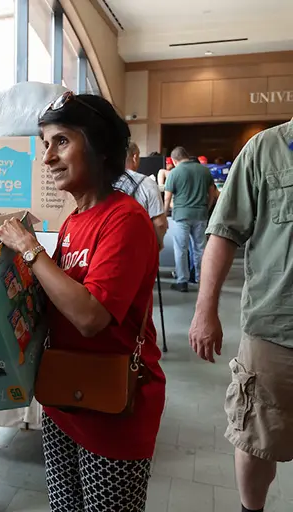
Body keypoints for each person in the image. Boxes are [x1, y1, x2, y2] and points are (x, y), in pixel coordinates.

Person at [0, 91, 165, 511]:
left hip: (114, 407)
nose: (47, 157)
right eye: (44, 144)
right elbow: (54, 301)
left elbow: (90, 316)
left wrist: (31, 250)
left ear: (99, 146)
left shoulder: (125, 219)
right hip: (63, 400)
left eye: (61, 142)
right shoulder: (73, 220)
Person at [189, 119, 293, 512]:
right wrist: (204, 311)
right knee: (255, 438)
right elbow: (225, 232)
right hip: (274, 332)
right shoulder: (267, 149)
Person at [163, 146, 218, 292]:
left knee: (181, 248)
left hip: (181, 215)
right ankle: (201, 280)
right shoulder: (204, 171)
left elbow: (167, 197)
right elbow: (212, 192)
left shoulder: (174, 173)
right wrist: (207, 207)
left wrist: (163, 215)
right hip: (200, 214)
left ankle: (182, 281)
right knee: (200, 248)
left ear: (174, 161)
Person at [114, 141, 168, 248]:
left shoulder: (104, 182)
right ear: (135, 157)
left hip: (108, 247)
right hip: (138, 248)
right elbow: (160, 224)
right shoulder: (147, 183)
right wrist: (158, 245)